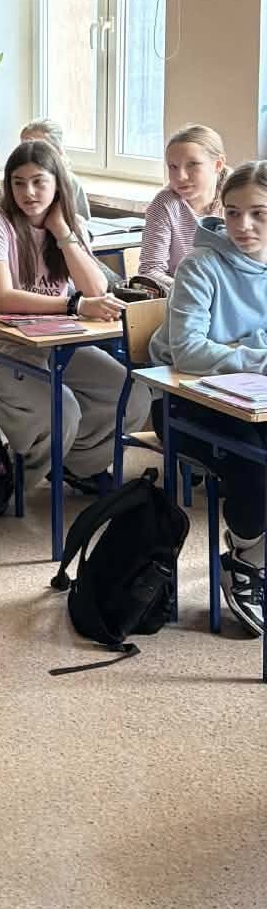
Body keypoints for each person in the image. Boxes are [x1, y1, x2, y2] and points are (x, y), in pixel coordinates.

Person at [0, 139, 149, 491]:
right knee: (62, 410)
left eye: (39, 181)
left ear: (58, 184)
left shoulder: (68, 224)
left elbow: (96, 288)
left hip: (57, 344)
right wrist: (73, 305)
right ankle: (10, 486)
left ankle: (76, 465)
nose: (29, 192)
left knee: (133, 395)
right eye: (19, 183)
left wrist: (63, 232)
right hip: (1, 347)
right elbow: (3, 298)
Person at [151, 160, 267, 633]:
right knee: (256, 460)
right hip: (184, 405)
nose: (243, 225)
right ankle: (246, 561)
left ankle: (251, 556)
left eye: (259, 214)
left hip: (254, 403)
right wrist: (257, 355)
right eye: (233, 212)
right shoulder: (201, 265)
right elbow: (189, 351)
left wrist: (239, 351)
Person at [137, 124, 227, 291]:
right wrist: (194, 291)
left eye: (192, 164)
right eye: (173, 167)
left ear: (218, 164)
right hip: (185, 297)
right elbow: (150, 271)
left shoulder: (238, 200)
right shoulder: (164, 204)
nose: (181, 176)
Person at [20, 119, 92, 224]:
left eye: (39, 149)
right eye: (24, 147)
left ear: (57, 152)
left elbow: (83, 224)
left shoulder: (70, 181)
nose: (29, 153)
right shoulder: (14, 180)